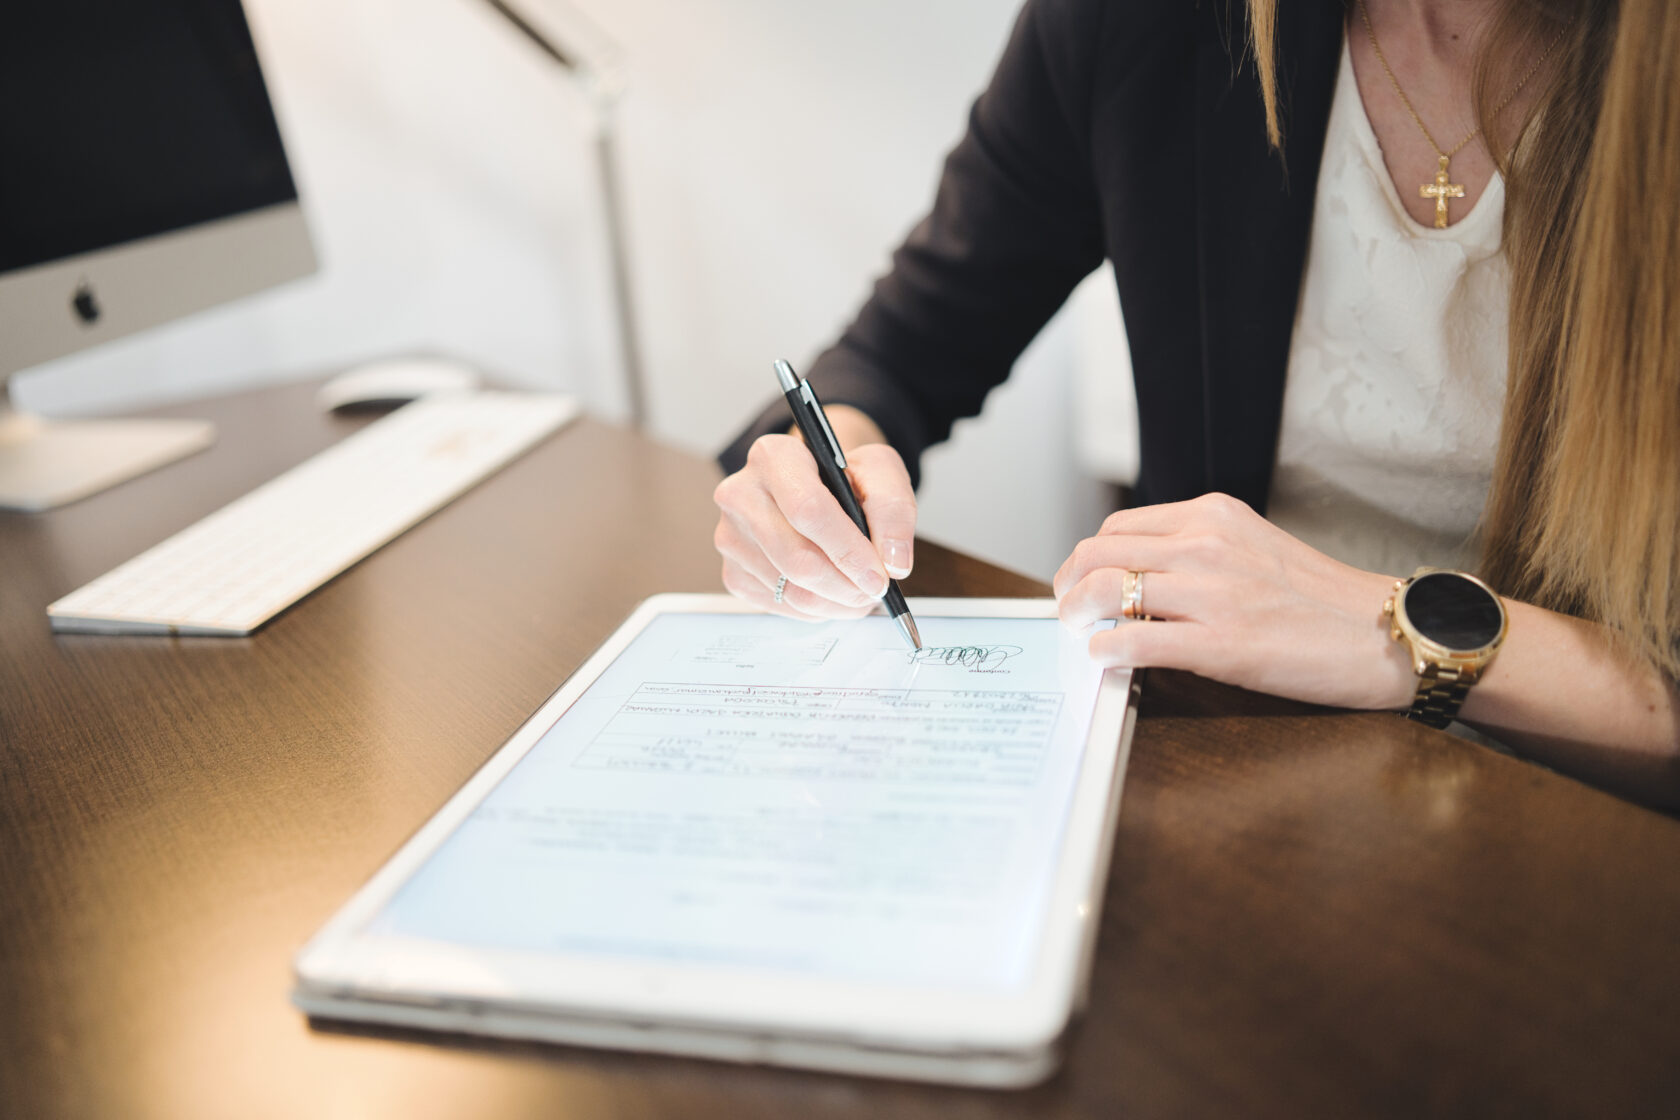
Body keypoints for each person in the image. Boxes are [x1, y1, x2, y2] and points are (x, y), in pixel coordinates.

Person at [711, 0, 1680, 810]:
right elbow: (901, 351)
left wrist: (1394, 633)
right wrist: (819, 463)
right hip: (1232, 769)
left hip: (1599, 814)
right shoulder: (1146, 21)